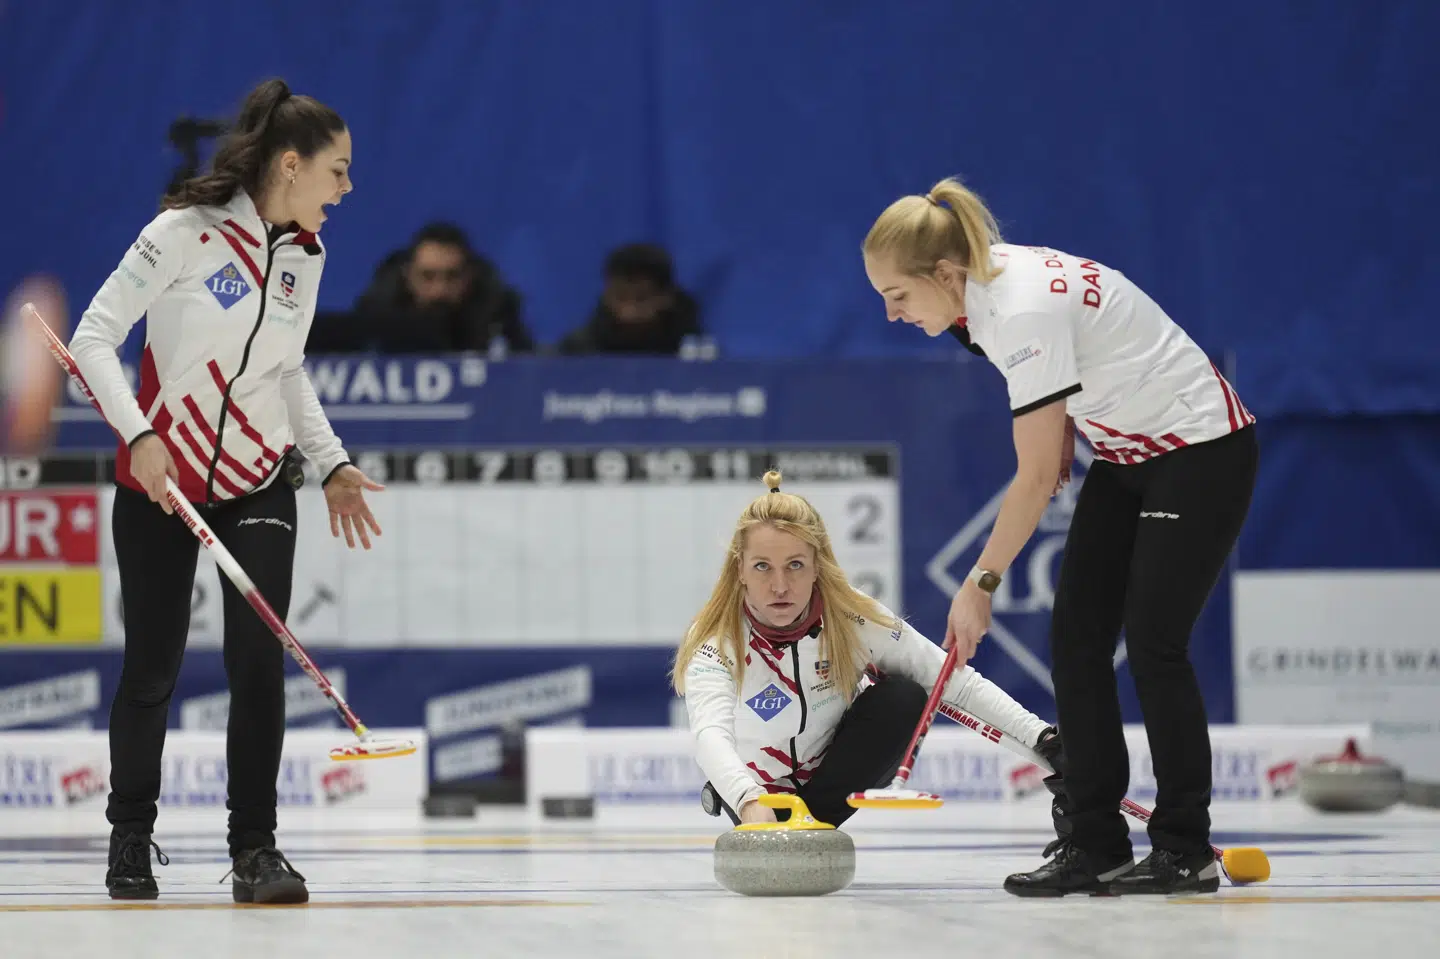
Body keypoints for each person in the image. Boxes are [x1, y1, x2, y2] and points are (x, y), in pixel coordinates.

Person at [862, 177, 1259, 896]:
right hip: (1127, 454)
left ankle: (1184, 848)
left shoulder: (1018, 310)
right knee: (1076, 640)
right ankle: (1095, 844)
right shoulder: (978, 292)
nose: (891, 314)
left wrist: (980, 582)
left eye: (897, 295)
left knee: (1154, 644)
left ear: (944, 274)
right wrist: (1072, 415)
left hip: (1200, 451)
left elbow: (1038, 474)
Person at [68, 78, 384, 905]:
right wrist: (140, 435)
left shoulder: (307, 258)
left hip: (256, 484)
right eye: (338, 170)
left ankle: (255, 850)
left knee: (257, 660)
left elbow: (287, 372)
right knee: (152, 666)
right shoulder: (183, 233)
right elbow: (93, 337)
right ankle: (130, 834)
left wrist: (331, 463)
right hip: (160, 486)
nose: (347, 187)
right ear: (291, 164)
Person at [673, 470, 1066, 838]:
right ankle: (772, 816)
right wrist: (747, 798)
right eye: (762, 567)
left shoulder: (853, 616)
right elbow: (710, 734)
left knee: (903, 696)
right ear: (740, 570)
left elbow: (953, 684)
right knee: (744, 787)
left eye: (795, 565)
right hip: (755, 792)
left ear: (817, 567)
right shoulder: (716, 638)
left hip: (832, 780)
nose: (780, 586)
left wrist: (1044, 741)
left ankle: (810, 827)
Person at [315, 222, 531, 354]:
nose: (439, 291)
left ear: (469, 277)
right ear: (408, 276)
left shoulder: (496, 317)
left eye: (452, 277)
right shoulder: (379, 314)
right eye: (428, 277)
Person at [557, 243, 702, 355]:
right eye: (620, 297)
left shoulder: (695, 352)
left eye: (641, 299)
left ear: (666, 298)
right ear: (606, 295)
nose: (628, 312)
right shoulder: (578, 351)